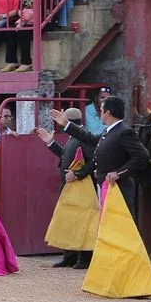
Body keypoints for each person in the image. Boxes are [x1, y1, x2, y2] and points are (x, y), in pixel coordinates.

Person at [51, 96, 150, 222]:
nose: (100, 114)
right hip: (107, 186)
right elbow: (90, 138)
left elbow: (142, 156)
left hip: (119, 189)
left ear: (108, 113)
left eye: (102, 110)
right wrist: (67, 124)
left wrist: (119, 173)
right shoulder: (109, 132)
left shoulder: (124, 132)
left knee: (121, 227)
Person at [34, 108, 96, 269]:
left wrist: (78, 174)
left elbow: (94, 161)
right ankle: (70, 255)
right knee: (69, 220)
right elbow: (65, 156)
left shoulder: (82, 137)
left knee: (82, 221)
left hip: (81, 187)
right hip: (70, 186)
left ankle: (85, 258)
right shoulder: (75, 137)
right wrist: (50, 143)